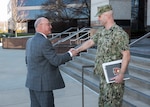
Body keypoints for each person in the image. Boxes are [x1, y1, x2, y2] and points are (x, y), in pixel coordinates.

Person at [76, 4, 130, 107]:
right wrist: (77, 49)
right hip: (103, 76)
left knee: (113, 103)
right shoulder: (102, 31)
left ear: (107, 16)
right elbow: (90, 42)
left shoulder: (119, 33)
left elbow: (126, 55)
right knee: (103, 102)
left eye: (100, 16)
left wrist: (121, 74)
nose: (98, 18)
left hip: (114, 77)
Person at [25, 17, 77, 107]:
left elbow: (28, 61)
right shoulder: (44, 42)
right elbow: (55, 61)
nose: (51, 26)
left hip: (32, 83)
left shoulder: (30, 41)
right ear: (40, 26)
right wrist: (70, 54)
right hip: (43, 86)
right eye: (48, 24)